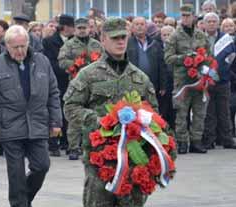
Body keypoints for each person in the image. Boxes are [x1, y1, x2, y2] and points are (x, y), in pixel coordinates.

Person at [63, 17, 158, 207]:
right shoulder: (88, 74)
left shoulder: (139, 77)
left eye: (123, 37)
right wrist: (100, 122)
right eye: (115, 38)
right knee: (98, 202)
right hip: (100, 155)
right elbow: (70, 107)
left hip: (133, 154)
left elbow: (154, 113)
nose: (120, 42)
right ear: (103, 40)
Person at [0, 25, 62, 207]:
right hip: (10, 126)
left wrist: (56, 121)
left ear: (28, 43)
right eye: (15, 47)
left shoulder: (42, 62)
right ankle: (20, 203)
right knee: (16, 174)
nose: (20, 51)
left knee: (42, 166)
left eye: (23, 46)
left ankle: (23, 200)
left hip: (37, 123)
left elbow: (53, 92)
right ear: (6, 46)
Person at [164, 4, 210, 154]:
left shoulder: (201, 35)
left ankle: (196, 141)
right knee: (181, 113)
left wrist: (204, 66)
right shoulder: (174, 36)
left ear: (193, 17)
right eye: (182, 16)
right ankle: (182, 142)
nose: (185, 18)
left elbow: (209, 56)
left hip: (199, 80)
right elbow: (168, 58)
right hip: (182, 81)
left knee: (199, 112)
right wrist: (185, 58)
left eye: (188, 16)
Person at [58, 17, 103, 160]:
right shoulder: (69, 45)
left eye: (85, 28)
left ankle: (93, 144)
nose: (82, 30)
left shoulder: (96, 44)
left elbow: (105, 60)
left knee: (95, 114)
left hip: (95, 84)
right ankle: (73, 147)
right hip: (77, 84)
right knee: (75, 116)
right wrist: (75, 64)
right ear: (75, 29)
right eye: (79, 28)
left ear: (89, 29)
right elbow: (61, 61)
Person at [202, 12, 236, 149]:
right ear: (204, 24)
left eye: (214, 21)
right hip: (206, 81)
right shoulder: (199, 38)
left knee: (224, 112)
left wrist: (223, 69)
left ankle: (227, 139)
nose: (211, 23)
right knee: (209, 112)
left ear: (218, 24)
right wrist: (208, 73)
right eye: (208, 21)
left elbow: (232, 55)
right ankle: (209, 140)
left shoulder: (226, 39)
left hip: (223, 80)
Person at [42, 14, 74, 157]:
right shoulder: (49, 41)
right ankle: (53, 144)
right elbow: (49, 62)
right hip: (56, 81)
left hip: (72, 83)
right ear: (66, 27)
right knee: (55, 111)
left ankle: (67, 142)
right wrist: (69, 68)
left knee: (68, 112)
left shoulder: (75, 41)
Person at [127, 17, 167, 112]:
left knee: (152, 112)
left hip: (152, 85)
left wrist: (163, 85)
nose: (139, 27)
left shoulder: (155, 44)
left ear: (146, 27)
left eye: (142, 24)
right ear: (132, 28)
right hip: (133, 85)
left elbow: (162, 65)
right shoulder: (127, 44)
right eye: (136, 24)